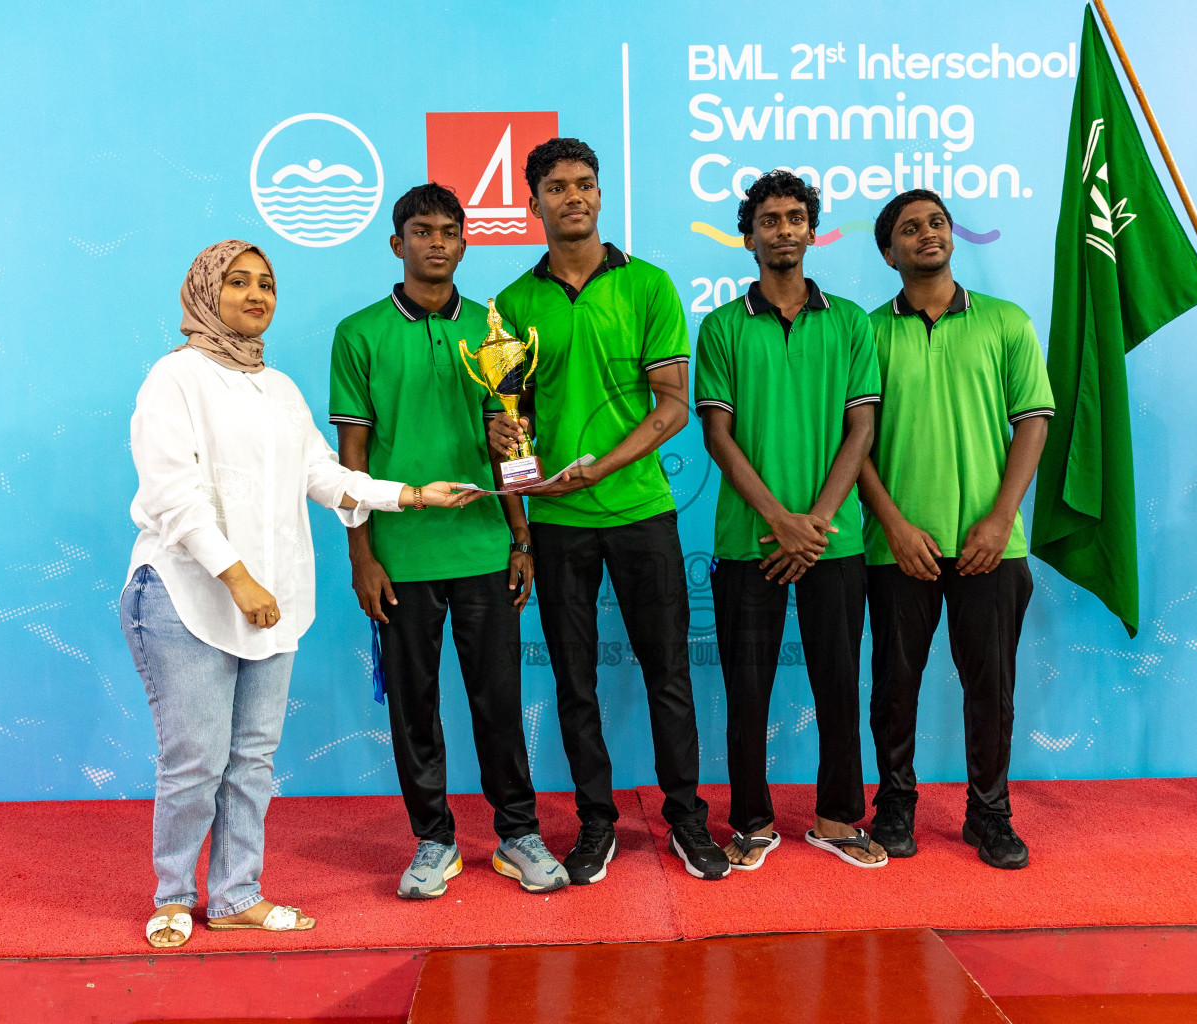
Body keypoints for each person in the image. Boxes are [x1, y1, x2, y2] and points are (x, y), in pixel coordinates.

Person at [124, 239, 479, 949]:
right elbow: (175, 497)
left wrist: (411, 494)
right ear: (204, 291)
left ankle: (234, 894)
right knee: (196, 758)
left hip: (271, 603)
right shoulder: (176, 378)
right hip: (189, 596)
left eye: (266, 284)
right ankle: (172, 894)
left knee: (253, 759)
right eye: (238, 282)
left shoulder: (278, 389)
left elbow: (324, 475)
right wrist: (237, 577)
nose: (255, 295)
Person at [488, 137, 730, 883]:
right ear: (533, 203)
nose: (574, 198)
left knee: (668, 674)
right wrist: (523, 519)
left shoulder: (649, 285)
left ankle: (687, 818)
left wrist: (597, 470)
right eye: (557, 186)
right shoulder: (512, 306)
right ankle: (597, 824)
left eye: (585, 184)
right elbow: (511, 431)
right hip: (557, 528)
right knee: (575, 680)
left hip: (640, 512)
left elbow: (672, 409)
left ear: (601, 194)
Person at [330, 183, 568, 898]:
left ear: (466, 242)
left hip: (483, 548)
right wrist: (362, 554)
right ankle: (433, 842)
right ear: (397, 244)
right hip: (401, 557)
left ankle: (517, 834)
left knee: (499, 697)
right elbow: (353, 457)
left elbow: (513, 449)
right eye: (422, 231)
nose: (437, 242)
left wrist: (521, 536)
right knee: (414, 706)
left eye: (450, 231)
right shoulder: (359, 332)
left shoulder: (495, 330)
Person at [858, 190, 1053, 870]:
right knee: (893, 686)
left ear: (952, 236)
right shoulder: (868, 333)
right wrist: (894, 525)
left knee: (991, 687)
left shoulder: (1006, 323)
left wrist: (1000, 520)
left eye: (936, 223)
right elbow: (855, 443)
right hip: (896, 546)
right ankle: (896, 806)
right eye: (909, 229)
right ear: (889, 252)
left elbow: (1033, 420)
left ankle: (989, 813)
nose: (927, 235)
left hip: (991, 546)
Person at [695, 170, 885, 870]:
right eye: (769, 219)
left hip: (833, 541)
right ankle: (750, 821)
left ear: (812, 230)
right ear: (749, 237)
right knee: (747, 688)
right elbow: (719, 436)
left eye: (795, 217)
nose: (783, 229)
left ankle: (839, 817)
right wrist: (781, 520)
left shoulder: (851, 322)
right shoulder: (720, 327)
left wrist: (818, 523)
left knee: (840, 683)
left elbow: (860, 430)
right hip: (751, 541)